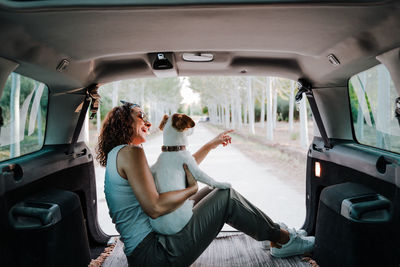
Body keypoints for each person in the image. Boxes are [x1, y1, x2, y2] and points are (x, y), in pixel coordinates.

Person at [96, 101, 314, 267]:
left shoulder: (120, 154)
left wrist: (210, 145)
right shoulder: (131, 152)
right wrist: (191, 189)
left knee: (213, 189)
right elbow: (155, 208)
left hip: (146, 253)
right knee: (225, 197)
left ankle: (275, 233)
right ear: (124, 122)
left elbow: (175, 169)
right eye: (141, 116)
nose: (148, 122)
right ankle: (282, 240)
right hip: (155, 255)